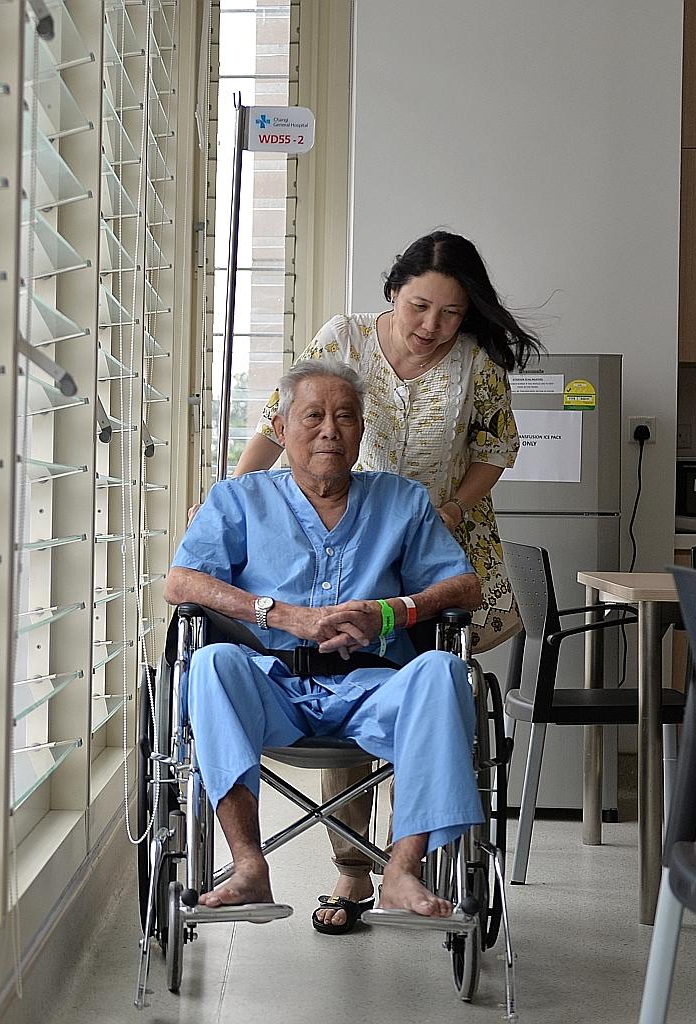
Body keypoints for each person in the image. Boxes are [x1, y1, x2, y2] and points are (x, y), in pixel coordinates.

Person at [229, 229, 540, 932]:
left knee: (420, 691)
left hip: (431, 550)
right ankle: (352, 871)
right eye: (419, 306)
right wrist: (235, 491)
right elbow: (283, 421)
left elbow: (496, 448)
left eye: (451, 314)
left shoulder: (477, 366)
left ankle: (411, 856)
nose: (431, 326)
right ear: (393, 291)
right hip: (341, 548)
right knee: (342, 671)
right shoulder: (344, 337)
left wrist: (454, 509)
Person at [166, 361, 484, 920]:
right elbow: (181, 582)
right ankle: (248, 866)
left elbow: (464, 585)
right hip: (273, 687)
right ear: (283, 426)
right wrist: (283, 615)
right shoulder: (238, 500)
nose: (329, 430)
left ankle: (402, 871)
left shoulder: (401, 501)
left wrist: (393, 612)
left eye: (345, 417)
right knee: (213, 661)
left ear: (362, 431)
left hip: (373, 686)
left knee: (441, 671)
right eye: (313, 416)